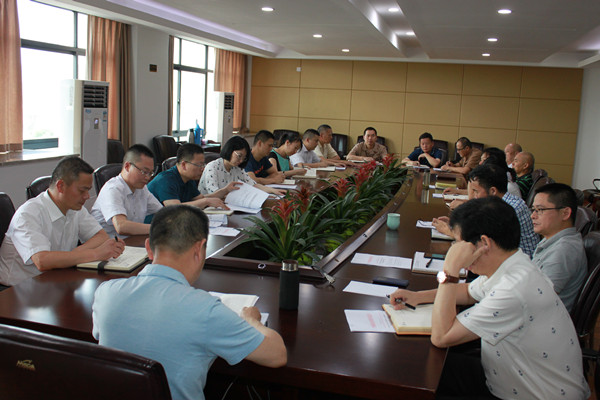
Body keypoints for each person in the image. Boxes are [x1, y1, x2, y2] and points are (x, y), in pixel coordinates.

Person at [391, 197, 590, 400]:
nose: (456, 250)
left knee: (417, 376)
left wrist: (450, 270)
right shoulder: (514, 263)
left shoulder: (512, 290)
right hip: (508, 376)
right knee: (424, 366)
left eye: (459, 243)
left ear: (484, 243)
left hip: (533, 394)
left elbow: (442, 337)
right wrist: (418, 297)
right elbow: (468, 292)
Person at [92, 205, 287, 400]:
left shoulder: (106, 293)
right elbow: (277, 355)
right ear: (199, 250)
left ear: (148, 248)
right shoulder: (205, 310)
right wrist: (252, 321)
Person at [0, 156, 124, 287]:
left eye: (88, 190)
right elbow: (42, 261)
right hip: (17, 289)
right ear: (61, 186)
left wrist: (71, 255)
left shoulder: (74, 208)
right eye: (82, 190)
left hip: (55, 279)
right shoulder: (28, 214)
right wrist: (95, 254)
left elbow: (101, 236)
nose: (87, 196)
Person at [434, 164, 539, 258]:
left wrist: (450, 231)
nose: (474, 196)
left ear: (493, 191)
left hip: (517, 264)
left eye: (476, 191)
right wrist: (457, 225)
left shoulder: (509, 208)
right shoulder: (497, 204)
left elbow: (483, 244)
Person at [531, 183, 587, 312]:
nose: (533, 215)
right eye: (533, 209)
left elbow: (538, 300)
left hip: (542, 319)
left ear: (565, 213)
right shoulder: (551, 239)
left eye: (540, 210)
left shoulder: (564, 250)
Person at [91, 144, 163, 238]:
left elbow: (162, 212)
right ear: (127, 166)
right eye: (144, 172)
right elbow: (121, 226)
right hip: (105, 243)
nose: (147, 177)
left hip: (129, 241)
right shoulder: (113, 189)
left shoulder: (142, 189)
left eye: (150, 173)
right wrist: (159, 228)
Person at [147, 143, 232, 209]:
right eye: (199, 165)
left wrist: (225, 190)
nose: (202, 169)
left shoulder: (189, 179)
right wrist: (206, 201)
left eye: (203, 165)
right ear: (184, 165)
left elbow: (200, 199)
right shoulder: (165, 180)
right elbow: (174, 208)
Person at [198, 136, 284, 196]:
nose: (241, 161)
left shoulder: (236, 168)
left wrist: (273, 191)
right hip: (207, 209)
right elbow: (214, 194)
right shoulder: (212, 167)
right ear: (230, 150)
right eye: (239, 156)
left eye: (244, 158)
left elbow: (253, 184)